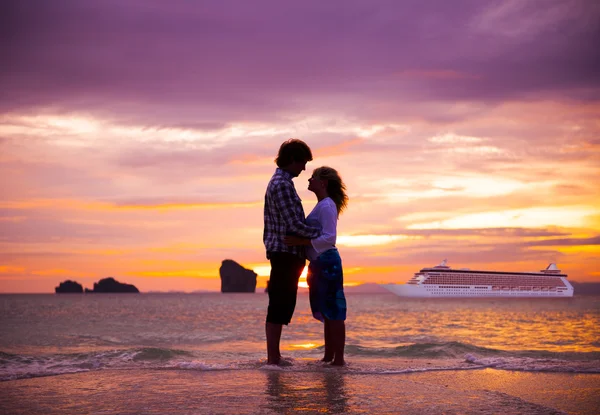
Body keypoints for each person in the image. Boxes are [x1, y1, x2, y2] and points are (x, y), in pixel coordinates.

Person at [263, 138, 321, 366]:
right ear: (292, 159)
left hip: (286, 252)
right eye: (303, 162)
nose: (304, 168)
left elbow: (293, 223)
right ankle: (273, 358)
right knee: (279, 304)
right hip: (284, 252)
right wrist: (322, 232)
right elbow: (293, 224)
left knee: (282, 303)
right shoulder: (282, 185)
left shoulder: (281, 182)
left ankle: (274, 357)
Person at [284, 166, 348, 366]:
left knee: (334, 312)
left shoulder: (327, 205)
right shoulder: (322, 205)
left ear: (324, 183)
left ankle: (338, 359)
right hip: (320, 262)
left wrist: (300, 242)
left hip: (327, 260)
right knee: (328, 311)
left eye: (313, 178)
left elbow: (330, 237)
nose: (309, 180)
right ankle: (329, 357)